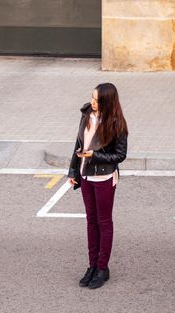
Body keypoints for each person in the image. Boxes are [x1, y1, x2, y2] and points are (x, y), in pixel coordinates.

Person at [68, 83, 128, 289]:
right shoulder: (86, 114)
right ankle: (92, 265)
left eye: (97, 100)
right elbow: (78, 144)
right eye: (92, 98)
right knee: (90, 221)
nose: (92, 102)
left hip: (104, 178)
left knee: (104, 222)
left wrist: (95, 156)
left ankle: (103, 268)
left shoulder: (116, 123)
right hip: (85, 175)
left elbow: (120, 155)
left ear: (107, 102)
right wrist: (73, 171)